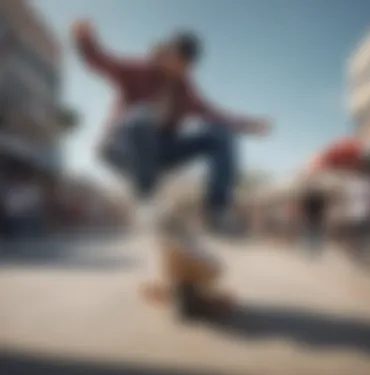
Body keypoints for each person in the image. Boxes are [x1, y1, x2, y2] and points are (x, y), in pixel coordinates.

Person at [71, 20, 272, 235]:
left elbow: (216, 115)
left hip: (159, 155)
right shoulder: (139, 70)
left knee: (220, 134)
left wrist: (250, 125)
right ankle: (146, 202)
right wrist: (85, 41)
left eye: (184, 65)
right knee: (143, 116)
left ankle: (217, 209)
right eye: (175, 60)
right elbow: (103, 63)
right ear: (167, 54)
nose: (178, 69)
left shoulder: (186, 91)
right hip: (120, 150)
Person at [302, 186, 326, 253]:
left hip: (312, 218)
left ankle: (312, 248)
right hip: (317, 218)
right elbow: (322, 208)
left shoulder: (309, 199)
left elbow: (306, 208)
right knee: (316, 234)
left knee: (311, 233)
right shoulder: (319, 199)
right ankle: (315, 249)